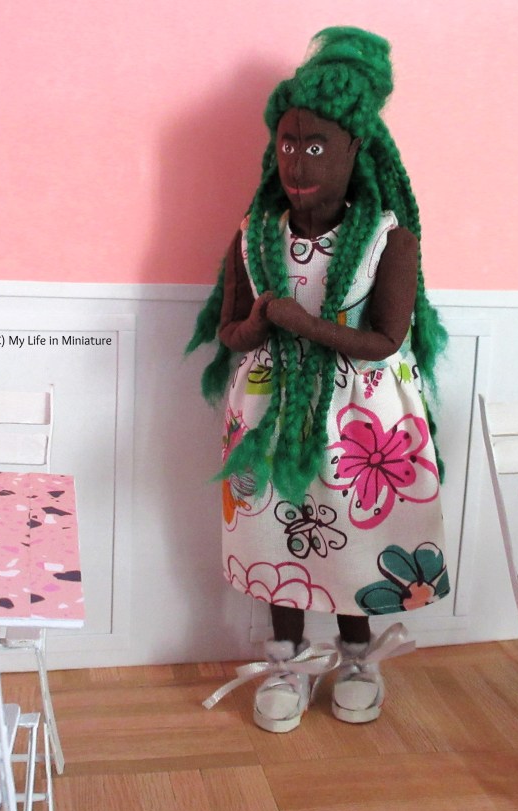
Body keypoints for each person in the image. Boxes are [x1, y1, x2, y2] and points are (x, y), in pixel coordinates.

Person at [188, 26, 449, 733]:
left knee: (352, 537)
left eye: (316, 145)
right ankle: (286, 657)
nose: (298, 159)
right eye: (287, 143)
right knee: (282, 536)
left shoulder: (391, 237)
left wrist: (298, 322)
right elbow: (233, 329)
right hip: (271, 414)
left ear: (357, 149)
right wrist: (262, 326)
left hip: (367, 424)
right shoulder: (256, 234)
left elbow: (385, 338)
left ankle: (356, 654)